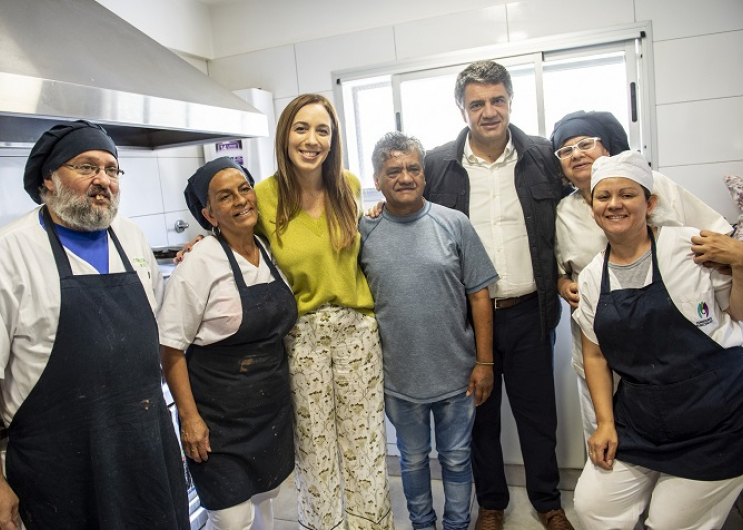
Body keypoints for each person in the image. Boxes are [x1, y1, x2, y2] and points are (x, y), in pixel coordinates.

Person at [0, 120, 189, 529]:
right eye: (86, 167)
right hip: (61, 471)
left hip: (145, 453)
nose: (103, 180)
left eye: (111, 169)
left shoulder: (131, 237)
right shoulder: (10, 252)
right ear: (48, 179)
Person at [423, 60, 573, 530]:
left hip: (530, 310)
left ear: (510, 100)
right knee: (480, 419)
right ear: (461, 108)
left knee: (537, 416)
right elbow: (405, 204)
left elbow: (583, 204)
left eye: (497, 100)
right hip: (467, 319)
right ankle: (491, 505)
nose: (489, 111)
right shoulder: (436, 164)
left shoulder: (544, 156)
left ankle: (548, 502)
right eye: (477, 103)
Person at [572, 150, 743, 529]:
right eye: (604, 196)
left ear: (649, 203)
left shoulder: (691, 247)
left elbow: (738, 315)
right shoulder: (591, 278)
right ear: (593, 208)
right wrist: (605, 423)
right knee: (591, 507)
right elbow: (595, 354)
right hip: (641, 421)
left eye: (628, 195)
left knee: (668, 522)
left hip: (716, 421)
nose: (614, 204)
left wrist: (740, 261)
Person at [550, 110, 731, 443]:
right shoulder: (565, 211)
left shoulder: (652, 185)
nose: (576, 154)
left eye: (585, 143)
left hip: (670, 344)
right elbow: (562, 269)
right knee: (608, 437)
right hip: (600, 345)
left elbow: (719, 235)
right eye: (565, 150)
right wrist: (563, 285)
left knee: (685, 438)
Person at [254, 94, 392, 529]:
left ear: (333, 140)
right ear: (284, 135)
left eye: (322, 130)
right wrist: (198, 243)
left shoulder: (347, 186)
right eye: (301, 128)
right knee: (315, 451)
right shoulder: (263, 196)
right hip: (301, 336)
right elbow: (235, 243)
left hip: (356, 332)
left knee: (365, 445)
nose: (311, 140)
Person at [359, 132, 498, 530]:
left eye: (413, 168)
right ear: (378, 179)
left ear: (423, 174)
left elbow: (479, 296)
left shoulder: (454, 224)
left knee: (456, 457)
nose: (405, 177)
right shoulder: (363, 232)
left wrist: (484, 362)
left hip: (457, 376)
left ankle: (456, 525)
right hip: (399, 378)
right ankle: (422, 525)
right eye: (393, 171)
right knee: (412, 459)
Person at [158, 157, 297, 530]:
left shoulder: (268, 250)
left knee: (264, 500)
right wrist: (189, 420)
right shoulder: (199, 262)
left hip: (268, 410)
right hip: (218, 420)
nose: (240, 200)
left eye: (244, 189)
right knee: (232, 518)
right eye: (225, 196)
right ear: (209, 214)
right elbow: (171, 348)